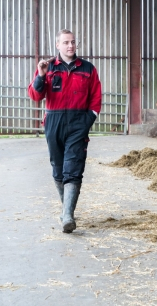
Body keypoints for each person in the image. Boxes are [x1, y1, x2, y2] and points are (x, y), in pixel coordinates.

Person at [28, 29, 102, 233]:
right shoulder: (48, 67)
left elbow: (96, 97)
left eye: (73, 42)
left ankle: (68, 216)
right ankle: (65, 209)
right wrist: (41, 76)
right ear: (58, 46)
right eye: (66, 42)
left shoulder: (88, 69)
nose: (70, 46)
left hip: (79, 121)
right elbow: (35, 96)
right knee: (58, 167)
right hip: (54, 121)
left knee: (74, 167)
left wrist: (90, 118)